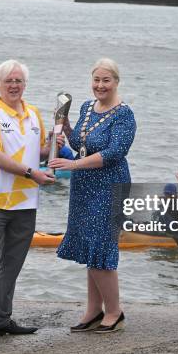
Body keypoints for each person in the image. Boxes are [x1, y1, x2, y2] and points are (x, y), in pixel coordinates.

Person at [0, 59, 60, 348]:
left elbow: (40, 152)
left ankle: (1, 321)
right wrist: (32, 173)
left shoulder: (33, 115)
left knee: (12, 265)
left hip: (25, 203)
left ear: (25, 84)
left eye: (18, 80)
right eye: (9, 81)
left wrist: (54, 143)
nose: (14, 85)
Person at [49, 58, 136, 334]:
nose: (100, 85)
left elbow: (113, 153)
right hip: (84, 186)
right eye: (96, 80)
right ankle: (92, 310)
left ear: (116, 82)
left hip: (110, 185)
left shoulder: (125, 114)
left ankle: (114, 311)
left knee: (101, 246)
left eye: (106, 80)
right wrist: (65, 129)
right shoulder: (87, 107)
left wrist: (72, 164)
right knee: (89, 247)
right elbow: (81, 144)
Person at [152, 169, 178, 247]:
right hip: (163, 232)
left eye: (170, 194)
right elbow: (156, 221)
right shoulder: (162, 207)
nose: (168, 196)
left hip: (176, 235)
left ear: (175, 194)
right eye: (166, 194)